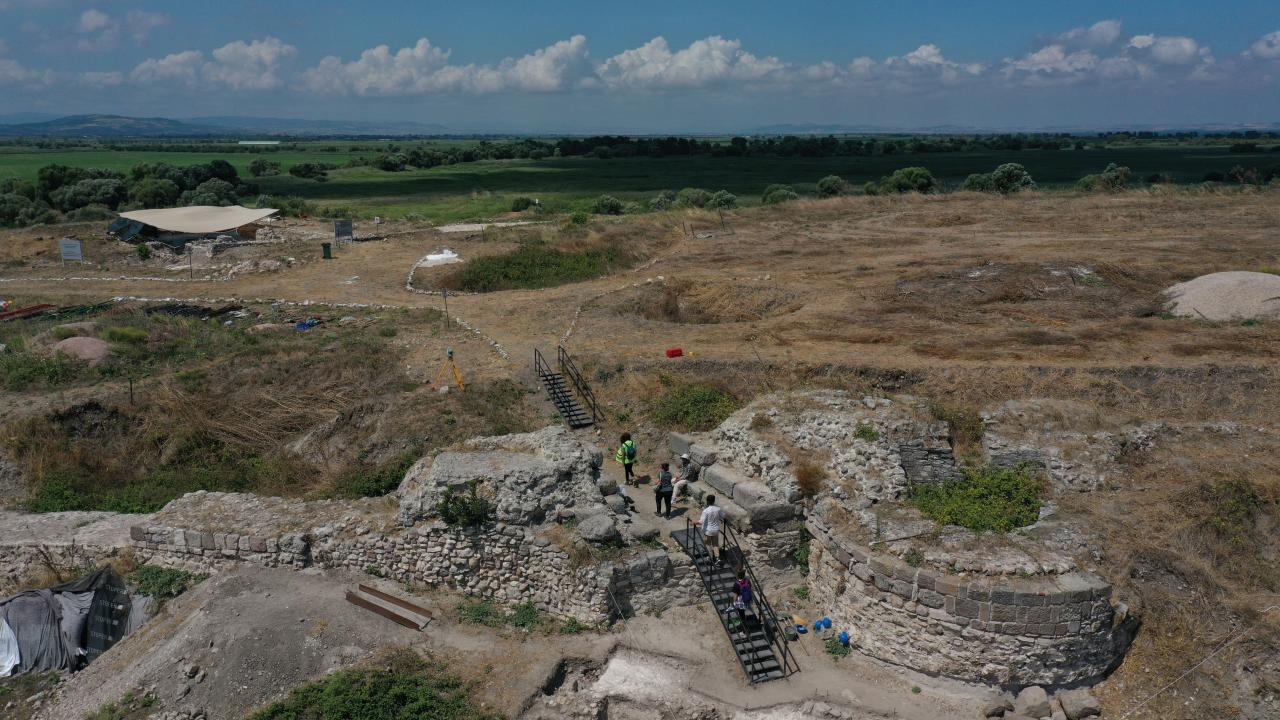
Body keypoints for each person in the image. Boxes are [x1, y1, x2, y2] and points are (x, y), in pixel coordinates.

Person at [694, 494, 725, 566]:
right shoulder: (718, 509)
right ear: (714, 501)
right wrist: (721, 520)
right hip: (716, 530)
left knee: (708, 544)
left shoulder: (706, 511)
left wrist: (694, 523)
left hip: (708, 531)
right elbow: (723, 516)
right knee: (715, 544)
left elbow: (701, 521)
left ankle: (710, 558)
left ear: (707, 501)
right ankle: (717, 558)